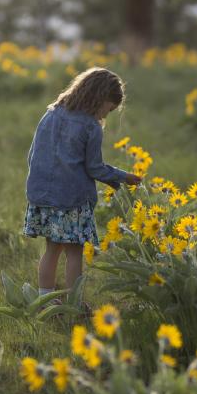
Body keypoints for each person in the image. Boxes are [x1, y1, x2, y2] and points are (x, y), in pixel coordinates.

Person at [23, 67, 141, 300]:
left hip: (42, 195)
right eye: (108, 109)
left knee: (51, 249)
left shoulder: (52, 113)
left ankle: (44, 301)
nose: (105, 116)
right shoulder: (90, 127)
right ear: (99, 99)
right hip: (71, 200)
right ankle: (74, 305)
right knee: (75, 252)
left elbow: (32, 155)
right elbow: (94, 168)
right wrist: (122, 178)